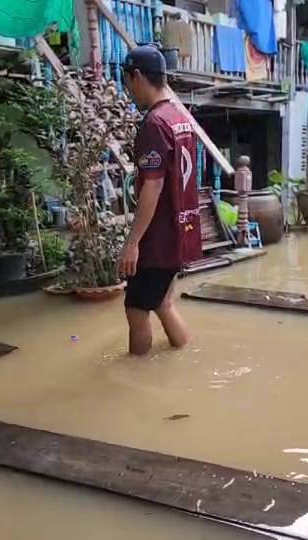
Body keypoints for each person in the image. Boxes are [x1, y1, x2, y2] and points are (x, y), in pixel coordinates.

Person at [118, 45, 202, 355]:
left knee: (136, 309)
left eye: (127, 80)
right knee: (164, 303)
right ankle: (184, 356)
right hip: (182, 232)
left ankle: (136, 372)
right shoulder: (180, 116)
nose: (128, 89)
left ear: (137, 76)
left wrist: (132, 243)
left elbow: (152, 186)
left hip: (158, 240)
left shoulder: (155, 123)